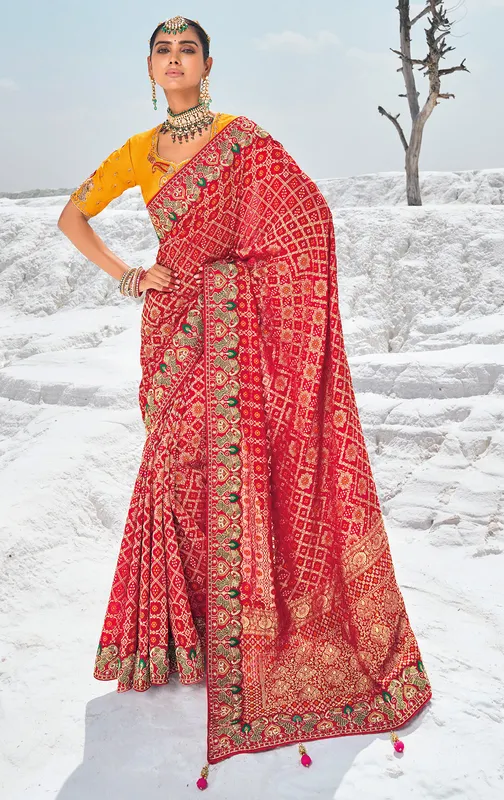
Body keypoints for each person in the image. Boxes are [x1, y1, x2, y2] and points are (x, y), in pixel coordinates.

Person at [57, 15, 433, 791]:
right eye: (162, 49)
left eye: (186, 48)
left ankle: (234, 632)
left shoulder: (242, 140)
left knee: (221, 470)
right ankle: (178, 638)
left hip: (237, 323)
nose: (174, 59)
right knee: (171, 471)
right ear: (150, 66)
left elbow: (306, 227)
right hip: (174, 329)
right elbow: (72, 217)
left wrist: (242, 284)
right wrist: (130, 275)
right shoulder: (137, 151)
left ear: (208, 62)